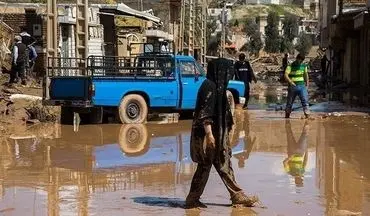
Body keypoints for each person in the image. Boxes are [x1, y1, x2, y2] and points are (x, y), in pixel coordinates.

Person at [185, 58, 258, 209]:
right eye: (227, 72)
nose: (229, 75)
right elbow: (206, 114)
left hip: (217, 134)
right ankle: (194, 198)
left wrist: (227, 132)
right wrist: (210, 136)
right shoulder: (209, 86)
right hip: (208, 136)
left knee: (222, 164)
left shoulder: (218, 87)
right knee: (208, 165)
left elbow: (223, 112)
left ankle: (235, 195)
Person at [283, 120, 309, 187]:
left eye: (299, 181)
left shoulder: (290, 172)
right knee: (304, 134)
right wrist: (306, 151)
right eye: (300, 180)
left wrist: (290, 157)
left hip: (292, 151)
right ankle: (307, 119)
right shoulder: (302, 172)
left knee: (289, 134)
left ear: (295, 180)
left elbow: (284, 162)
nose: (300, 179)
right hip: (300, 152)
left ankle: (287, 119)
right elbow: (305, 162)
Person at [284, 54, 310, 119]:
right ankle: (287, 117)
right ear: (296, 58)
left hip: (302, 86)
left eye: (301, 61)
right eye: (299, 60)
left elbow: (306, 75)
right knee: (289, 102)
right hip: (292, 86)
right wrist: (291, 82)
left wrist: (307, 85)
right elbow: (286, 75)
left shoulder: (304, 66)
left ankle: (307, 117)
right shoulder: (290, 66)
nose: (300, 62)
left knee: (305, 101)